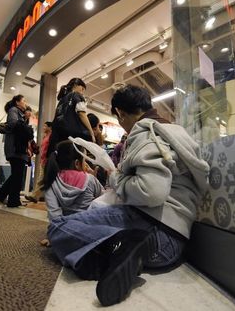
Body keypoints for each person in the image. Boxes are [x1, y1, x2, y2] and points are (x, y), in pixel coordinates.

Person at [47, 84, 210, 306]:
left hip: (149, 227)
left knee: (58, 228)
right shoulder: (176, 133)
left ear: (121, 113)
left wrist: (115, 177)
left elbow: (151, 191)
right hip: (173, 245)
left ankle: (116, 252)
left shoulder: (145, 133)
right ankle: (124, 252)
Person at [44, 140, 103, 220]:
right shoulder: (90, 179)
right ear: (77, 164)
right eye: (84, 160)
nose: (86, 164)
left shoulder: (51, 180)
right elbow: (103, 199)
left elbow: (54, 216)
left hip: (63, 228)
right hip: (89, 225)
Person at [0, 95, 33, 208]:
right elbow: (14, 125)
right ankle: (12, 200)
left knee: (17, 174)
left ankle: (1, 195)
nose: (25, 103)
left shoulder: (20, 113)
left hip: (19, 148)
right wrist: (24, 118)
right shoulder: (13, 110)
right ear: (17, 102)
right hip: (15, 147)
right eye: (23, 100)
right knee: (17, 174)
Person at [48, 78, 96, 156]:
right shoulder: (76, 95)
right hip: (70, 136)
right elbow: (82, 114)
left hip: (57, 136)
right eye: (82, 88)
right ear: (75, 85)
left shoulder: (61, 101)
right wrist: (91, 132)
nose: (82, 92)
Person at [24, 121, 52, 203]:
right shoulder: (45, 136)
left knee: (41, 179)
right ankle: (36, 196)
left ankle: (34, 196)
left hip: (47, 161)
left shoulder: (51, 137)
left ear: (50, 128)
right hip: (43, 161)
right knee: (43, 179)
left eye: (45, 126)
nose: (43, 128)